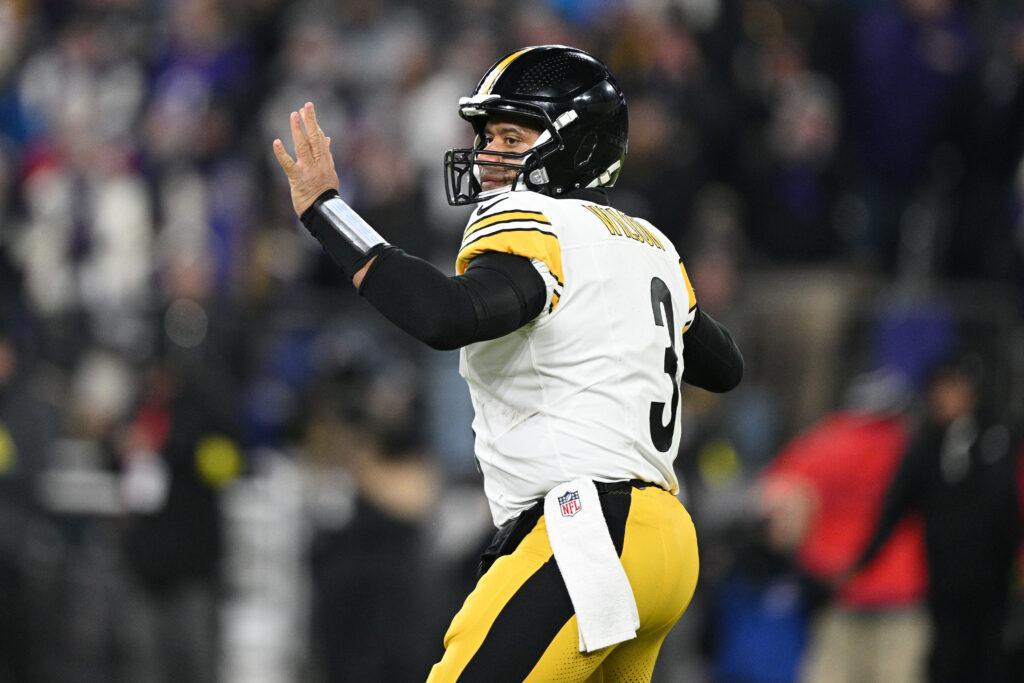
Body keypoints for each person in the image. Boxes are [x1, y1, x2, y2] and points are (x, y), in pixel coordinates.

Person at [273, 45, 743, 682]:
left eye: (512, 135)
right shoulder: (648, 243)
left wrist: (327, 212)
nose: (490, 153)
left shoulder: (532, 221)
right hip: (665, 545)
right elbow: (724, 366)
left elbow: (448, 315)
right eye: (487, 134)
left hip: (587, 530)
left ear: (573, 146)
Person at [845, 354, 1023, 683]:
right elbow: (894, 507)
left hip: (993, 580)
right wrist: (862, 561)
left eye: (951, 387)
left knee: (993, 660)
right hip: (943, 579)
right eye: (937, 389)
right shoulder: (925, 446)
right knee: (946, 659)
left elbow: (1007, 505)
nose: (942, 397)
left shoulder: (1000, 438)